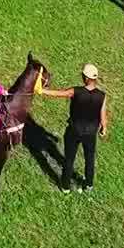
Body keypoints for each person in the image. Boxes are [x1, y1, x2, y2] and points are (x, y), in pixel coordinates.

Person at [35, 63, 109, 192]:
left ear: (86, 78)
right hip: (91, 133)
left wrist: (41, 90)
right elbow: (102, 115)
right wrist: (104, 128)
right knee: (90, 159)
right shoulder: (102, 96)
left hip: (74, 130)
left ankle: (65, 186)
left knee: (69, 159)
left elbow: (59, 94)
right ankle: (88, 185)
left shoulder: (76, 91)